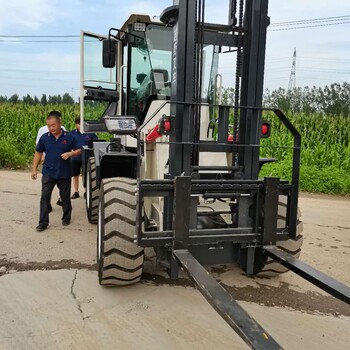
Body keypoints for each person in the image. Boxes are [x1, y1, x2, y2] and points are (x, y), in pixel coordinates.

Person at [31, 111, 81, 232]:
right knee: (44, 197)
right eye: (49, 126)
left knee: (65, 198)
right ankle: (43, 222)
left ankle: (66, 218)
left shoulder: (69, 137)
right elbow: (38, 153)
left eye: (53, 125)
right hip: (48, 172)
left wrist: (71, 153)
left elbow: (80, 150)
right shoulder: (44, 138)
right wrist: (34, 169)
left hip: (64, 173)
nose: (51, 128)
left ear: (60, 123)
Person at [36, 112, 67, 208]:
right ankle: (47, 204)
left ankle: (61, 199)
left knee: (62, 184)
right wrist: (42, 157)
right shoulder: (42, 130)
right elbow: (38, 144)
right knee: (47, 186)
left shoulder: (63, 129)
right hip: (47, 160)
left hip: (60, 161)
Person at [69, 116, 97, 199]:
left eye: (81, 123)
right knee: (75, 175)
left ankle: (86, 191)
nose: (79, 125)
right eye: (78, 123)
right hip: (75, 158)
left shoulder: (90, 133)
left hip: (87, 157)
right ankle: (76, 191)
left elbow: (96, 142)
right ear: (75, 124)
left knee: (86, 175)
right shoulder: (72, 133)